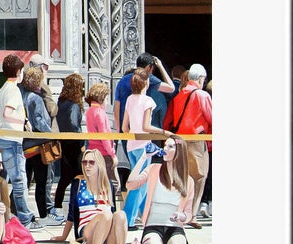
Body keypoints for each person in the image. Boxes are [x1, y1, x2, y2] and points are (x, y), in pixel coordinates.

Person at [131, 133, 196, 244]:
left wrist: (182, 216)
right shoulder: (154, 169)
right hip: (153, 225)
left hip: (175, 226)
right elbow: (130, 184)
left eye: (170, 146)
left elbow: (189, 213)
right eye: (165, 145)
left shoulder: (187, 180)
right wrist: (144, 158)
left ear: (179, 151)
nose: (165, 149)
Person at [61, 148, 129, 244]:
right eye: (84, 162)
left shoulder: (107, 185)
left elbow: (113, 215)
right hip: (87, 231)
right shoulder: (78, 183)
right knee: (106, 215)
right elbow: (71, 214)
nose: (87, 166)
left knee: (121, 214)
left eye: (91, 162)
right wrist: (63, 237)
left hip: (107, 232)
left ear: (99, 164)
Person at [0, 53, 37, 225]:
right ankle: (25, 217)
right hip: (12, 140)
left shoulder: (2, 90)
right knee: (19, 181)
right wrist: (24, 122)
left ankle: (1, 215)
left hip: (0, 139)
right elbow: (7, 113)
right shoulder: (14, 90)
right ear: (19, 71)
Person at [165, 63, 213, 224]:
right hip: (196, 141)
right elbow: (212, 118)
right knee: (199, 177)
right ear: (200, 78)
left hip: (179, 141)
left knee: (182, 177)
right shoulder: (202, 95)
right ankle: (191, 214)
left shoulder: (178, 97)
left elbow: (168, 122)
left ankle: (179, 211)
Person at [121, 67, 170, 225]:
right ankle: (129, 219)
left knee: (141, 181)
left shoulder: (129, 99)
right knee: (140, 184)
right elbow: (147, 126)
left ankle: (146, 216)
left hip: (131, 145)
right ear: (145, 82)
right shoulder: (148, 101)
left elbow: (124, 128)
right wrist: (165, 132)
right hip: (143, 145)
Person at [20, 65, 58, 223]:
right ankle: (43, 213)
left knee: (25, 180)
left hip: (26, 145)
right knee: (42, 182)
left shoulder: (22, 95)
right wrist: (51, 134)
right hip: (39, 145)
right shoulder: (36, 98)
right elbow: (39, 121)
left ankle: (18, 210)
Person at [114, 54, 174, 135]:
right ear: (149, 67)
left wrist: (118, 131)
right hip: (142, 131)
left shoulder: (122, 81)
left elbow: (116, 106)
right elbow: (171, 88)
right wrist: (160, 66)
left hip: (126, 130)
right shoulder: (148, 78)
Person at [52, 72, 87, 211]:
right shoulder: (74, 105)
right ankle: (77, 206)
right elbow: (73, 124)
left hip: (64, 141)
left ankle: (58, 205)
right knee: (78, 176)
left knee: (65, 178)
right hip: (74, 144)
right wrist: (82, 141)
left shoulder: (61, 101)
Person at [84, 81, 118, 192]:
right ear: (102, 97)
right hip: (104, 153)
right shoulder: (100, 113)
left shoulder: (89, 111)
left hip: (93, 151)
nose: (107, 101)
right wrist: (112, 154)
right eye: (107, 98)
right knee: (111, 183)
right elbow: (104, 136)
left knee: (97, 182)